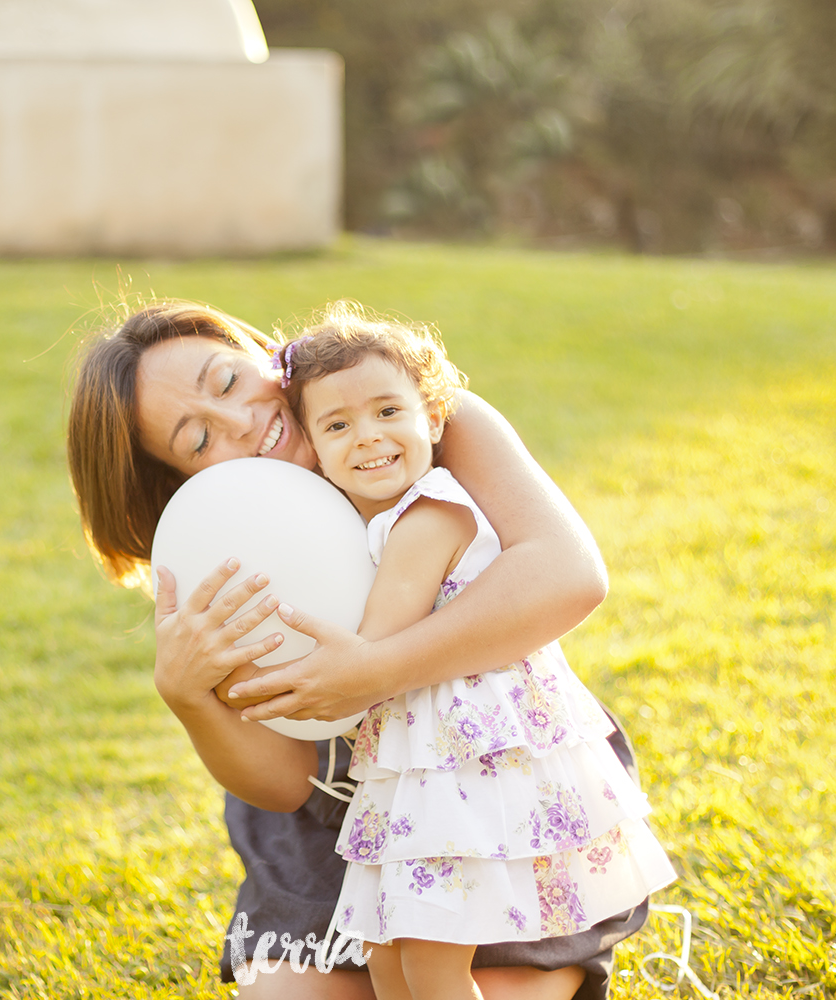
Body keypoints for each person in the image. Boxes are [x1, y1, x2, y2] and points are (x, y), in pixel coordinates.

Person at [66, 300, 649, 1000]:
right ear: (184, 481)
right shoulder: (222, 546)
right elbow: (286, 784)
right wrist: (189, 698)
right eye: (198, 439)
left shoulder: (410, 414)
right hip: (337, 818)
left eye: (227, 382)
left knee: (478, 986)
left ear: (260, 351)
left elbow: (568, 574)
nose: (243, 422)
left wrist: (373, 671)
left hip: (491, 783)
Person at [269, 311, 676, 1000]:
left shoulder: (429, 514)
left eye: (387, 411)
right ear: (313, 446)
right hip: (421, 756)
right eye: (337, 427)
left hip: (462, 760)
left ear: (433, 418)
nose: (366, 435)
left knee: (431, 967)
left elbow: (376, 640)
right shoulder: (383, 519)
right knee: (386, 959)